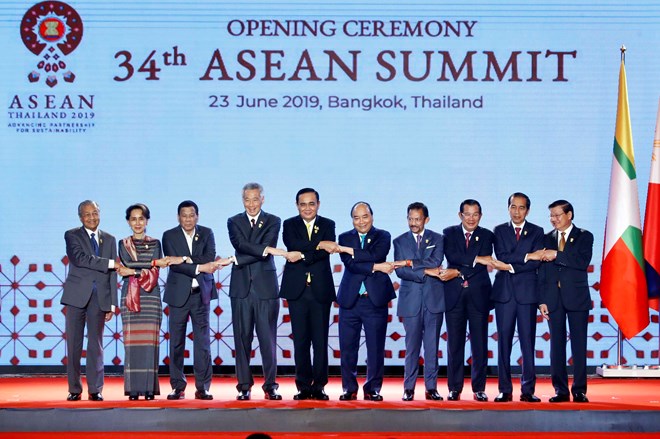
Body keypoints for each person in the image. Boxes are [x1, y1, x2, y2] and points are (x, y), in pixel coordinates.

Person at [162, 200, 230, 400]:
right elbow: (174, 264)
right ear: (178, 217)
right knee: (176, 342)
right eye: (184, 215)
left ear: (197, 216)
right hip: (178, 296)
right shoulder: (169, 235)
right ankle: (177, 386)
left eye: (191, 215)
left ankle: (203, 387)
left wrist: (186, 259)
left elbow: (209, 256)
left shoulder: (207, 233)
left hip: (201, 294)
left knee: (202, 343)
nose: (188, 219)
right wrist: (198, 266)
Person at [528, 200, 593, 403]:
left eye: (557, 215)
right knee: (556, 346)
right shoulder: (546, 238)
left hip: (577, 298)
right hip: (553, 300)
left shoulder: (584, 236)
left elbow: (581, 262)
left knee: (579, 345)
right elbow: (542, 273)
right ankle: (561, 390)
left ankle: (580, 390)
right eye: (551, 216)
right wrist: (541, 301)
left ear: (569, 215)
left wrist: (557, 254)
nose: (553, 219)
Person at [227, 183, 285, 401]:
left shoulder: (273, 220)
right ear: (243, 200)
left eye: (255, 199)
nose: (251, 204)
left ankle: (270, 385)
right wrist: (264, 249)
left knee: (267, 340)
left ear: (263, 199)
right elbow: (241, 244)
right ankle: (244, 385)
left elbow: (265, 248)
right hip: (241, 288)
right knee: (241, 340)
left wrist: (235, 259)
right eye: (247, 200)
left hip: (265, 288)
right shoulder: (234, 221)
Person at [280, 188, 338, 401]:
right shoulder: (289, 224)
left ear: (318, 204)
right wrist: (318, 245)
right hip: (297, 291)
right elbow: (292, 246)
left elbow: (326, 251)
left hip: (320, 290)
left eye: (311, 204)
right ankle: (303, 385)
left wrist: (306, 253)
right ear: (297, 206)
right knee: (301, 341)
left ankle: (320, 386)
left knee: (320, 341)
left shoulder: (328, 224)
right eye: (303, 204)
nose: (307, 208)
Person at [336, 202, 396, 401]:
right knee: (347, 347)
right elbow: (351, 265)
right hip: (350, 300)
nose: (361, 221)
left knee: (376, 347)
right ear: (352, 219)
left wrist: (352, 252)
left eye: (365, 216)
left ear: (372, 216)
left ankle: (373, 388)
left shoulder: (383, 236)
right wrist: (377, 267)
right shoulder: (344, 238)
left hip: (374, 300)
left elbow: (377, 255)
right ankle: (349, 388)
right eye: (356, 217)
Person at [116, 203, 174, 400]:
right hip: (129, 296)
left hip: (151, 296)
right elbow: (128, 263)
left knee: (150, 344)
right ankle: (133, 389)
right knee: (131, 343)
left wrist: (134, 271)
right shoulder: (123, 243)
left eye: (141, 218)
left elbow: (152, 272)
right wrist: (153, 263)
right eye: (133, 219)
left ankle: (149, 389)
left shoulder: (156, 243)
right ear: (128, 222)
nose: (138, 223)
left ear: (147, 221)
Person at [61, 200, 118, 402]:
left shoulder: (110, 239)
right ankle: (74, 389)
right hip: (76, 297)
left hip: (99, 298)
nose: (92, 217)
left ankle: (95, 389)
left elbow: (113, 275)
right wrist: (111, 263)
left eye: (95, 213)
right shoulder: (72, 235)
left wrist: (112, 303)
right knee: (74, 344)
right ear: (80, 217)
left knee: (96, 344)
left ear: (100, 213)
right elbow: (80, 258)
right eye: (87, 214)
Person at [490, 192, 544, 402]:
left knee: (527, 343)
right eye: (513, 207)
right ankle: (504, 389)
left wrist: (515, 263)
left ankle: (528, 390)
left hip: (527, 295)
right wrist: (526, 255)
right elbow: (501, 256)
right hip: (504, 294)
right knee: (503, 342)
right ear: (508, 208)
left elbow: (537, 262)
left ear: (527, 210)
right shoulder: (500, 230)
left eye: (521, 208)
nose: (517, 211)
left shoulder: (537, 232)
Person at [440, 199, 494, 402]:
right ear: (460, 215)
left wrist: (459, 269)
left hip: (479, 295)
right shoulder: (448, 233)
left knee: (479, 344)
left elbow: (484, 259)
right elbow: (453, 255)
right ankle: (454, 388)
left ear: (480, 215)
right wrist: (475, 259)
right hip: (453, 295)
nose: (471, 218)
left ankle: (479, 388)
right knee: (454, 344)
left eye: (475, 214)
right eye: (467, 214)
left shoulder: (488, 235)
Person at [393, 202, 445, 401]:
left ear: (426, 220)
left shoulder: (438, 239)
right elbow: (400, 271)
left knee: (432, 346)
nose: (413, 223)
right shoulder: (399, 242)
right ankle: (409, 388)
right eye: (410, 219)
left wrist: (410, 263)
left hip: (434, 300)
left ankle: (431, 388)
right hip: (410, 300)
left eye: (417, 219)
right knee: (412, 346)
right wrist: (424, 271)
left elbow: (436, 262)